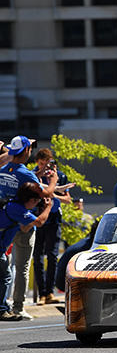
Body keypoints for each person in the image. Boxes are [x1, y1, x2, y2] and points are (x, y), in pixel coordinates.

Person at [0, 136, 59, 320]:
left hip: (6, 221)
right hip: (22, 221)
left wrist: (37, 175)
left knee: (5, 266)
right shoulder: (25, 173)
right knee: (20, 267)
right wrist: (54, 180)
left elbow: (22, 184)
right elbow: (46, 193)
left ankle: (4, 305)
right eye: (30, 148)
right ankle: (16, 307)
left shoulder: (3, 170)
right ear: (25, 151)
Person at [0, 183, 53, 321]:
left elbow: (24, 229)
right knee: (6, 276)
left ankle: (3, 307)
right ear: (30, 200)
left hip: (2, 248)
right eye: (36, 202)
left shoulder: (13, 205)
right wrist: (48, 207)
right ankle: (1, 309)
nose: (36, 205)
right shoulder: (17, 209)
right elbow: (39, 222)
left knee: (5, 274)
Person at [32, 148, 73, 305]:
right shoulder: (33, 175)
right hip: (38, 217)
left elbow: (68, 199)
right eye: (41, 164)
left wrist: (51, 193)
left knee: (52, 255)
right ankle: (42, 293)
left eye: (46, 164)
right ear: (37, 163)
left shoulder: (59, 176)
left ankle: (49, 292)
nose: (44, 167)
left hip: (54, 218)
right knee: (38, 257)